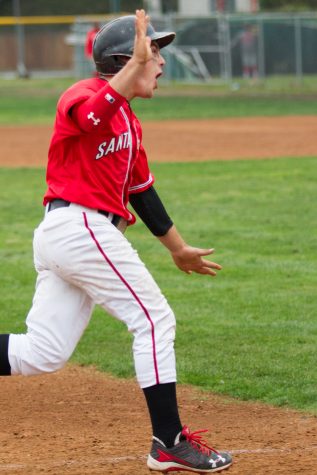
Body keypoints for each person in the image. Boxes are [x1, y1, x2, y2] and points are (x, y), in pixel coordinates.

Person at [0, 10, 233, 474]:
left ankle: (167, 442)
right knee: (154, 320)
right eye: (155, 52)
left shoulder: (129, 121)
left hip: (77, 234)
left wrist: (178, 248)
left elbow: (142, 191)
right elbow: (89, 118)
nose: (162, 62)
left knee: (42, 353)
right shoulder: (82, 95)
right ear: (128, 58)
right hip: (79, 227)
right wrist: (131, 67)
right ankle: (168, 442)